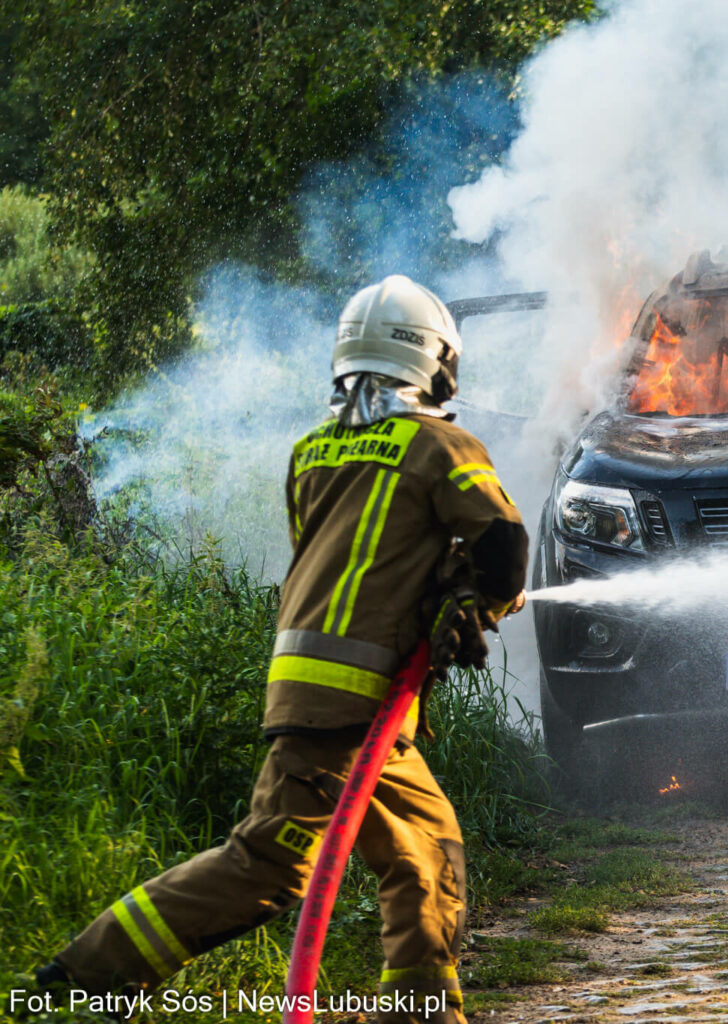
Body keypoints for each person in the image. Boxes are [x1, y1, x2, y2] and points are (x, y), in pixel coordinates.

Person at [35, 275, 528, 1024]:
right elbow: (504, 547)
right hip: (353, 698)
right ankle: (88, 978)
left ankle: (422, 1010)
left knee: (426, 849)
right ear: (435, 363)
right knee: (264, 868)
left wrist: (445, 594)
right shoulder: (439, 446)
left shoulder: (312, 452)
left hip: (328, 694)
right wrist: (474, 598)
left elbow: (356, 563)